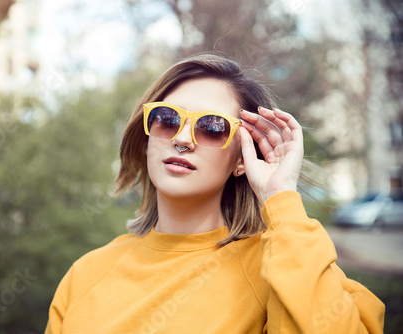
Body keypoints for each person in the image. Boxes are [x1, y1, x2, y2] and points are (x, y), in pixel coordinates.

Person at [45, 54, 385, 333]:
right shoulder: (85, 274)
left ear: (242, 158)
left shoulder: (279, 268)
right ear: (147, 136)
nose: (182, 139)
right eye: (167, 119)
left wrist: (280, 197)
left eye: (211, 127)